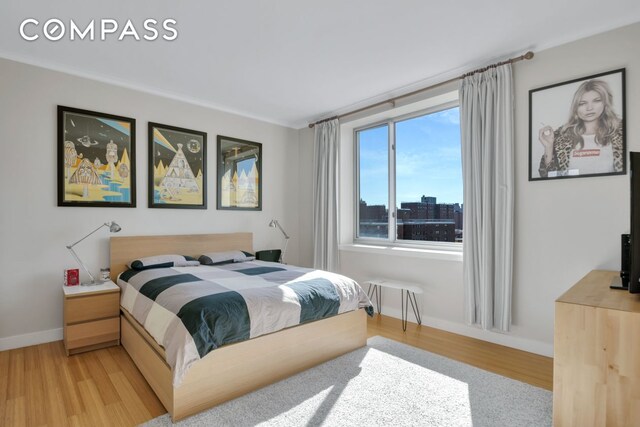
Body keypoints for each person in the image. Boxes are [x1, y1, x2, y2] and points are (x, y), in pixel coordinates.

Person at [538, 79, 623, 178]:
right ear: (576, 107)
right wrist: (548, 147)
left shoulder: (621, 131)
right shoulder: (562, 135)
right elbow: (547, 177)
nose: (589, 108)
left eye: (596, 101)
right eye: (582, 103)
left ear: (605, 103)